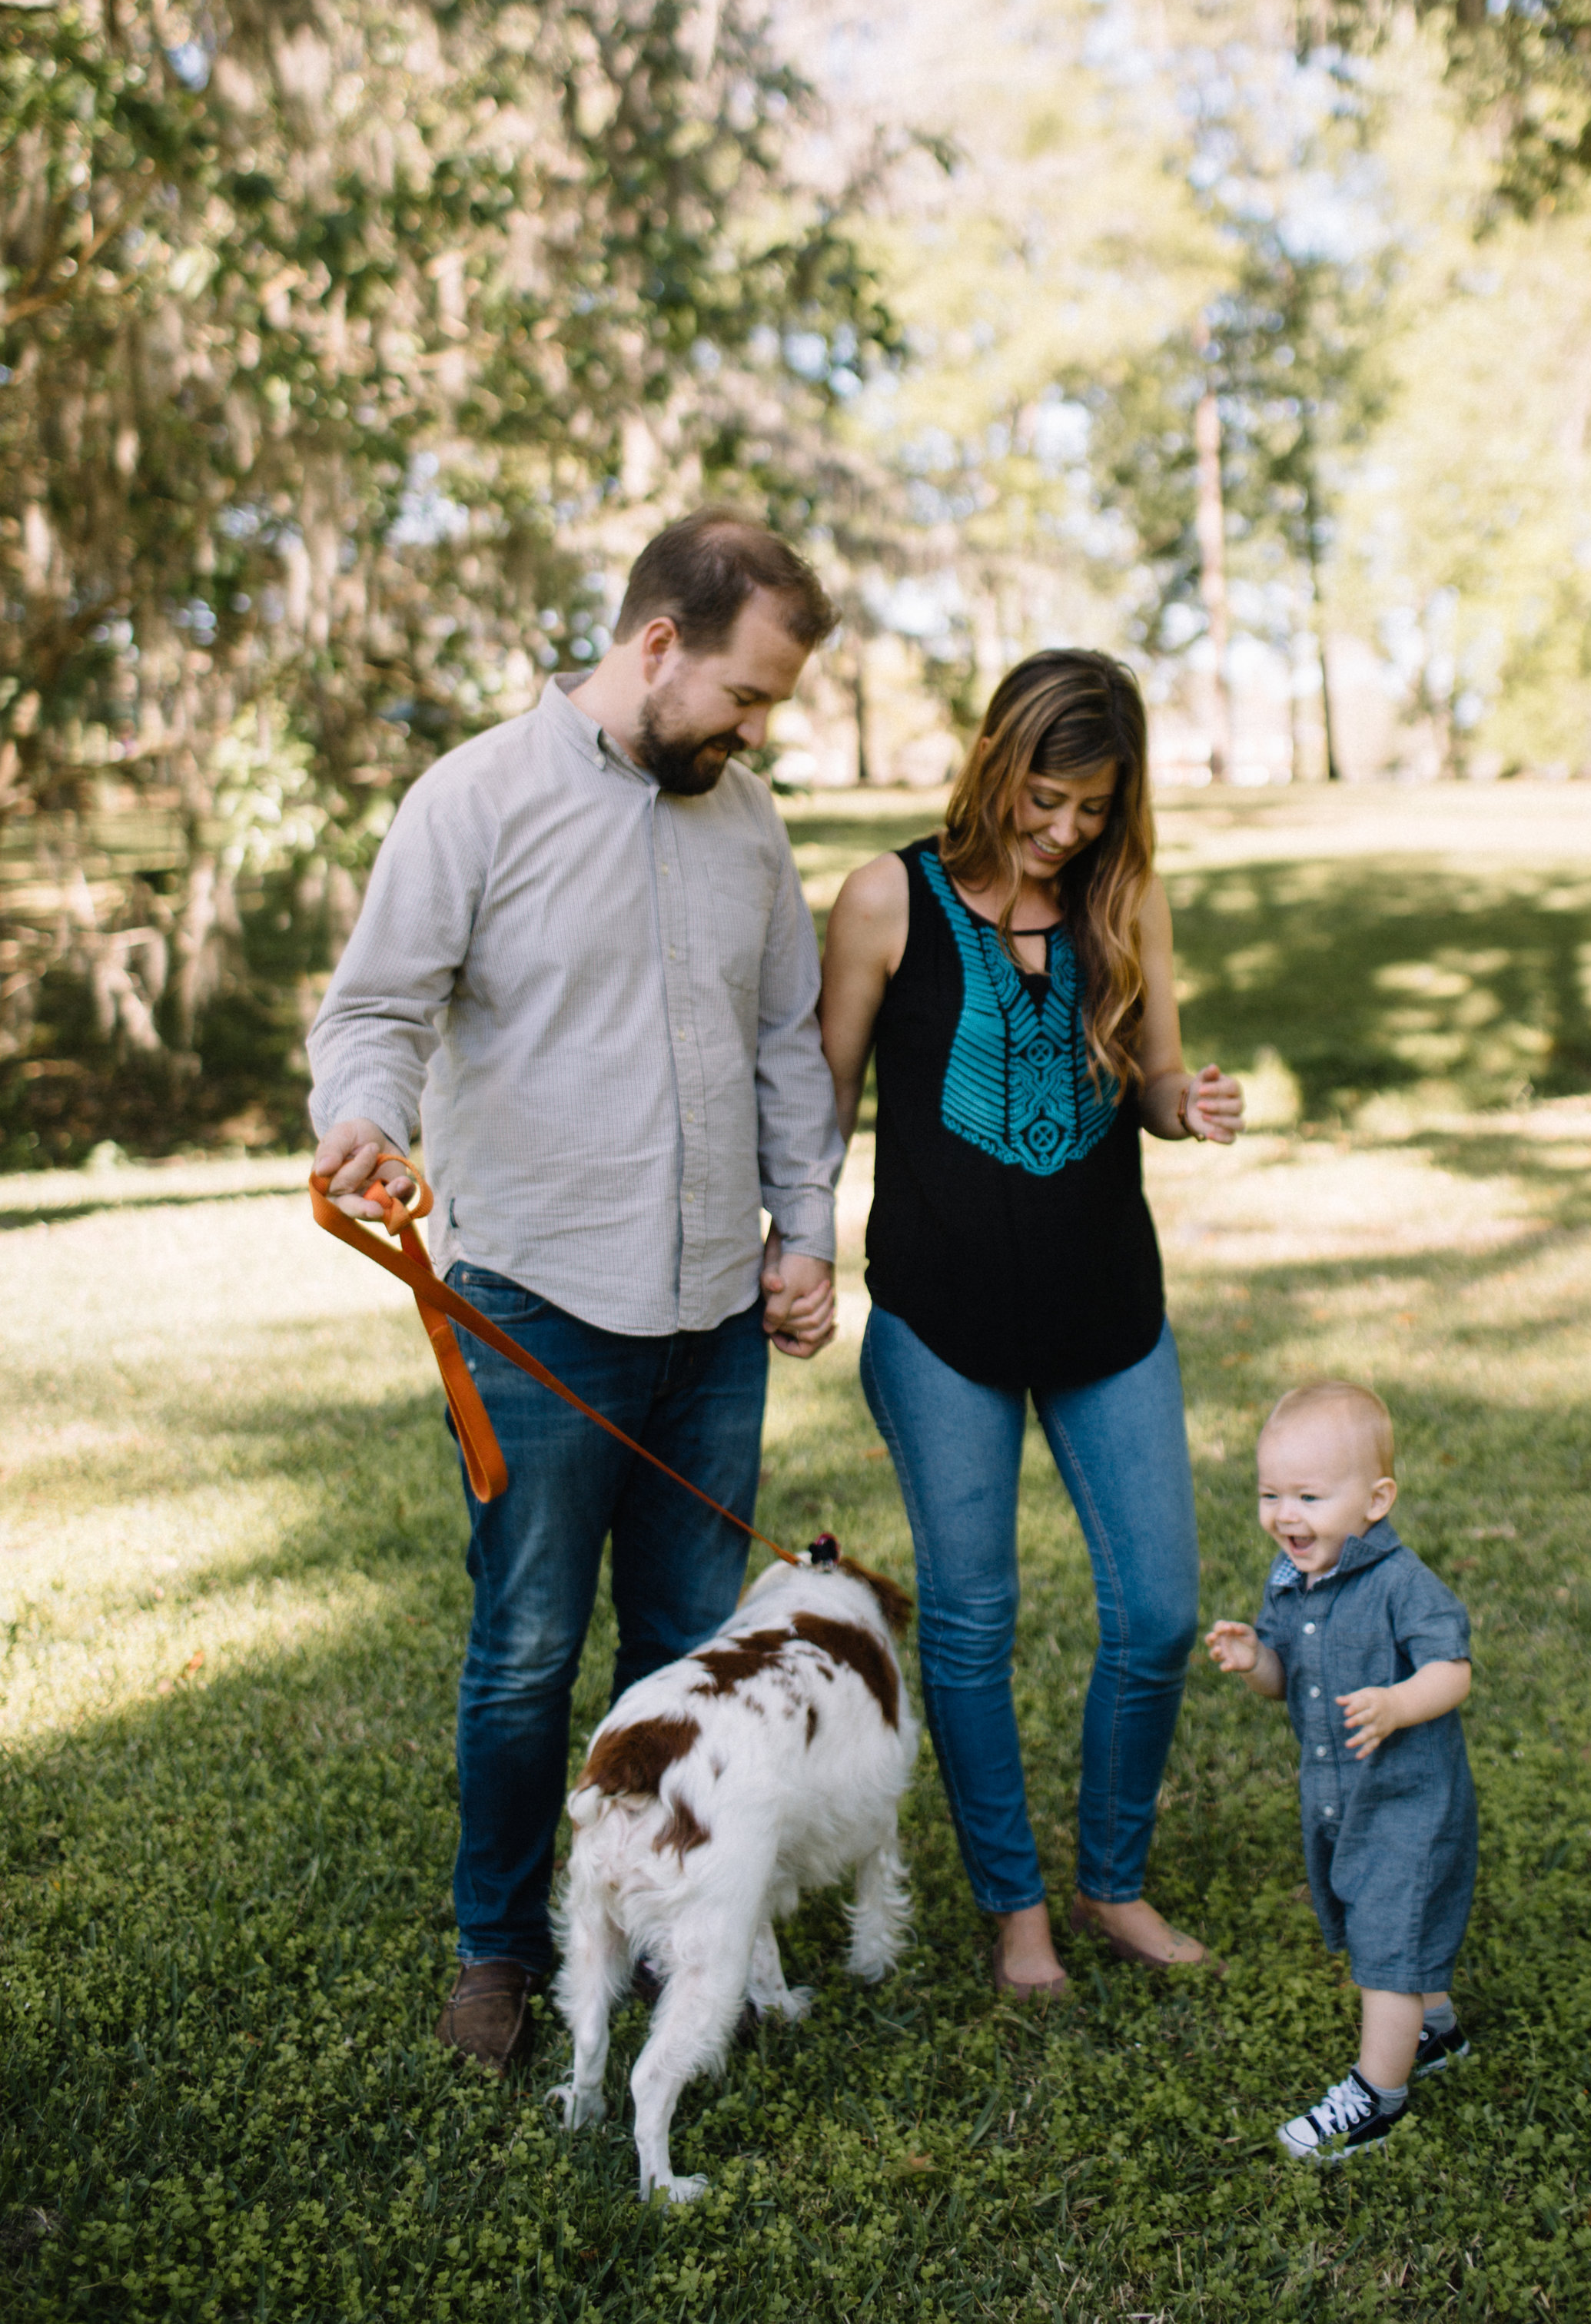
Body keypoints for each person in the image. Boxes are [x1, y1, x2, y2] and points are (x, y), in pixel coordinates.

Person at [307, 509, 845, 2073]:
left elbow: (782, 1048)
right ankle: (494, 1947)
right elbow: (379, 1009)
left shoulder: (745, 821)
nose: (755, 733)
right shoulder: (475, 795)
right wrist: (365, 1118)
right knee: (528, 1648)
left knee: (685, 1649)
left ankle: (669, 1915)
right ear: (656, 643)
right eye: (744, 696)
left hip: (713, 1319)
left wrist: (800, 1233)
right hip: (533, 1308)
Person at [819, 649, 1243, 1998]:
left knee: (1161, 1612)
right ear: (1000, 763)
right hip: (940, 1320)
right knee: (971, 1624)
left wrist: (1191, 1106)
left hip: (1110, 1309)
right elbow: (822, 1100)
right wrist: (790, 1250)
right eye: (1047, 800)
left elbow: (1157, 1082)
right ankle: (1017, 1916)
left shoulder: (1126, 903)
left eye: (1094, 810)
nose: (1066, 832)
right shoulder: (890, 897)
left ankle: (1111, 1879)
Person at [1206, 1378, 1476, 2164]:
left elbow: (1451, 1672)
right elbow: (1283, 1681)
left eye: (1309, 1496)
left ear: (1375, 1499)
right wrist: (1255, 1658)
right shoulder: (1289, 1581)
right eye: (1270, 1494)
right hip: (1339, 1799)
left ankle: (1376, 2096)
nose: (1285, 1515)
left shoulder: (1400, 1585)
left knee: (1386, 1940)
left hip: (1408, 1801)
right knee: (1376, 1914)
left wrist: (1398, 1704)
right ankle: (1434, 2033)